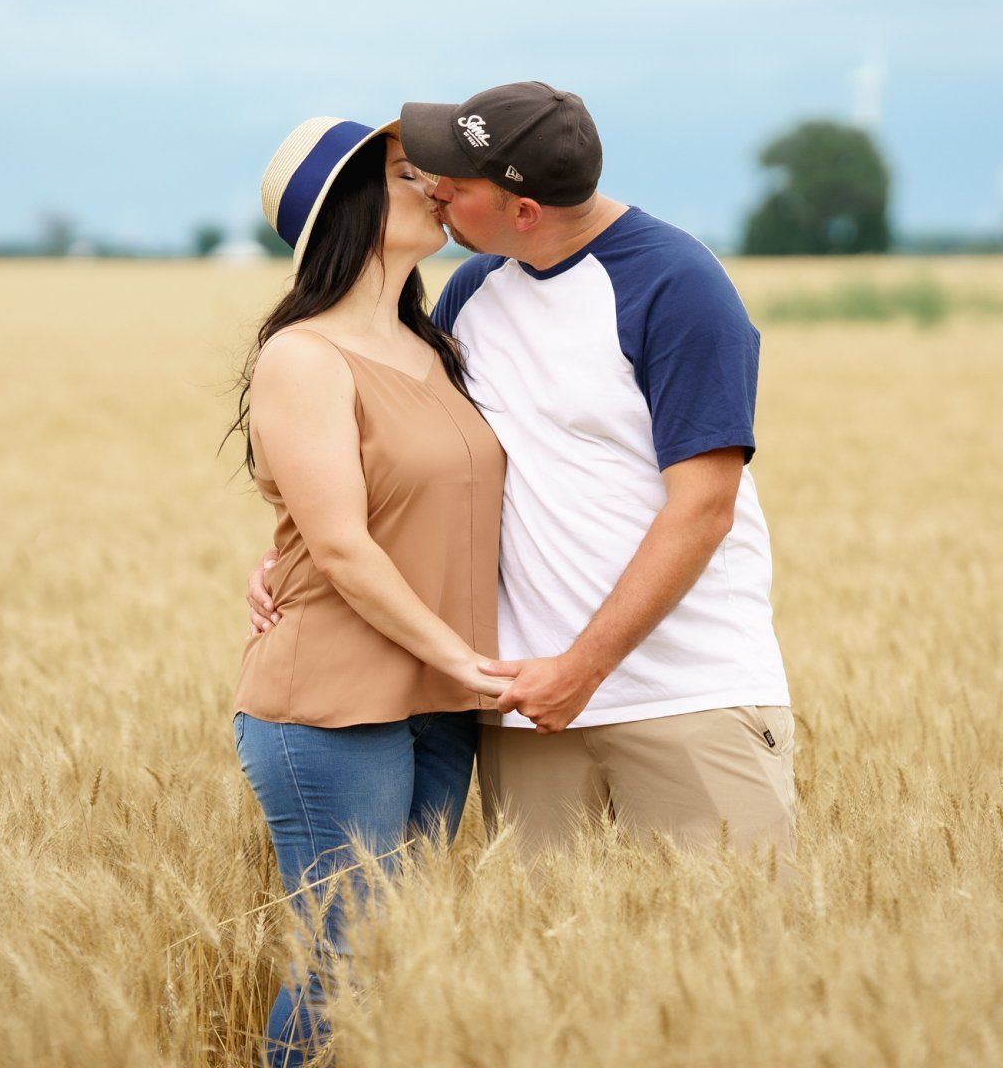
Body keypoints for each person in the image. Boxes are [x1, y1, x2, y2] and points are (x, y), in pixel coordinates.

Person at [248, 82, 796, 861]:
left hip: (684, 696)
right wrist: (290, 552)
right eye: (417, 175)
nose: (435, 188)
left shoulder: (677, 286)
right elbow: (394, 459)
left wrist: (583, 667)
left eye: (452, 182)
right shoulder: (469, 298)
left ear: (523, 209)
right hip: (524, 712)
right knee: (546, 973)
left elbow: (705, 508)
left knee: (730, 960)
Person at [227, 115, 508, 1066]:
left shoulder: (435, 346)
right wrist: (464, 658)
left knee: (396, 956)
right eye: (403, 172)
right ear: (343, 207)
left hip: (440, 698)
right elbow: (342, 548)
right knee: (340, 961)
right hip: (336, 702)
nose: (434, 182)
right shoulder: (301, 356)